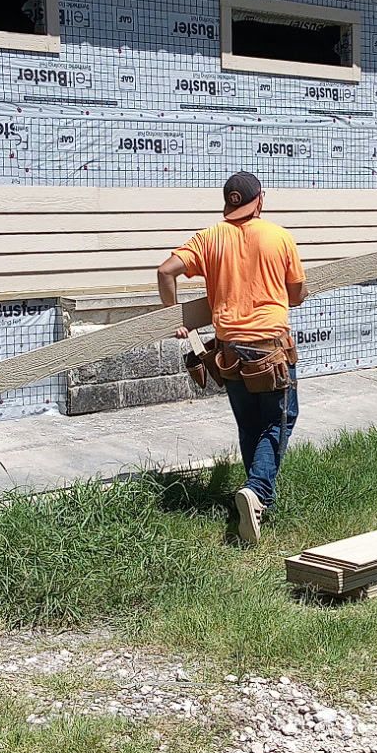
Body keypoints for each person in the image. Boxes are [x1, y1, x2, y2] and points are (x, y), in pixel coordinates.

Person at [157, 172, 308, 544]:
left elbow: (165, 271)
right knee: (279, 421)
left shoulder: (208, 238)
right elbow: (297, 294)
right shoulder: (279, 236)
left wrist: (175, 317)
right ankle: (257, 492)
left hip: (228, 352)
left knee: (248, 424)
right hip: (270, 350)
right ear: (260, 200)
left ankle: (251, 499)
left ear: (229, 203)